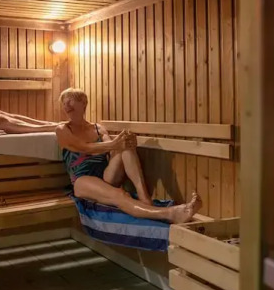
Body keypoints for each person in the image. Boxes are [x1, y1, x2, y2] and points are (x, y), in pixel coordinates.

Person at [55, 88, 201, 223]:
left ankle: (145, 198)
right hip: (82, 180)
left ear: (83, 102)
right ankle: (170, 214)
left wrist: (125, 141)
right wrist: (115, 144)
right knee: (120, 195)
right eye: (64, 103)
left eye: (70, 100)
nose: (66, 105)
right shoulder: (62, 129)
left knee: (126, 147)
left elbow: (112, 149)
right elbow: (83, 147)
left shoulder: (98, 129)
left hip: (105, 175)